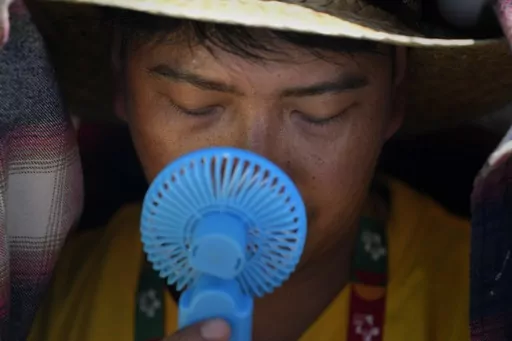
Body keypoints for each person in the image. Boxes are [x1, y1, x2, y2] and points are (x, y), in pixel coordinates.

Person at [26, 1, 512, 341]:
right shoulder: (43, 306)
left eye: (322, 110)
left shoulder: (487, 302)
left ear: (394, 96)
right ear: (122, 80)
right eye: (194, 104)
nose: (254, 169)